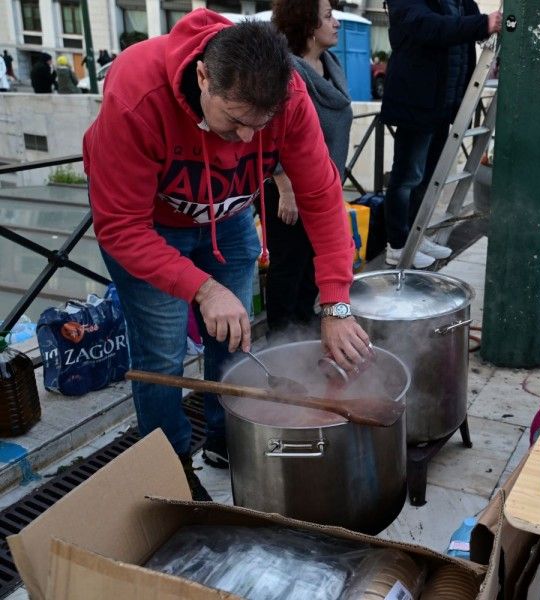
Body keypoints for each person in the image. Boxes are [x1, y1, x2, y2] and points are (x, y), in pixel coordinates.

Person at [83, 9, 371, 500]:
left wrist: (336, 302)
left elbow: (322, 199)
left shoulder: (290, 97)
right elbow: (119, 227)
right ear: (202, 78)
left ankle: (227, 437)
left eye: (261, 127)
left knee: (234, 341)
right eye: (236, 121)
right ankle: (170, 464)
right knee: (161, 356)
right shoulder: (137, 94)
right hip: (151, 229)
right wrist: (202, 287)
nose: (245, 141)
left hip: (231, 219)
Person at [380, 0, 502, 268]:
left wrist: (488, 25)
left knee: (426, 179)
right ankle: (397, 245)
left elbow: (470, 24)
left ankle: (417, 236)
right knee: (407, 178)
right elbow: (428, 26)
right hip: (416, 102)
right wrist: (483, 23)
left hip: (442, 105)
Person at [266, 0, 353, 333]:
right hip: (289, 191)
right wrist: (284, 186)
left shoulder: (330, 64)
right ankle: (280, 346)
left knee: (311, 272)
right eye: (328, 17)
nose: (337, 23)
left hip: (322, 188)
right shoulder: (286, 71)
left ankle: (305, 338)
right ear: (307, 25)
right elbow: (271, 129)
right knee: (287, 270)